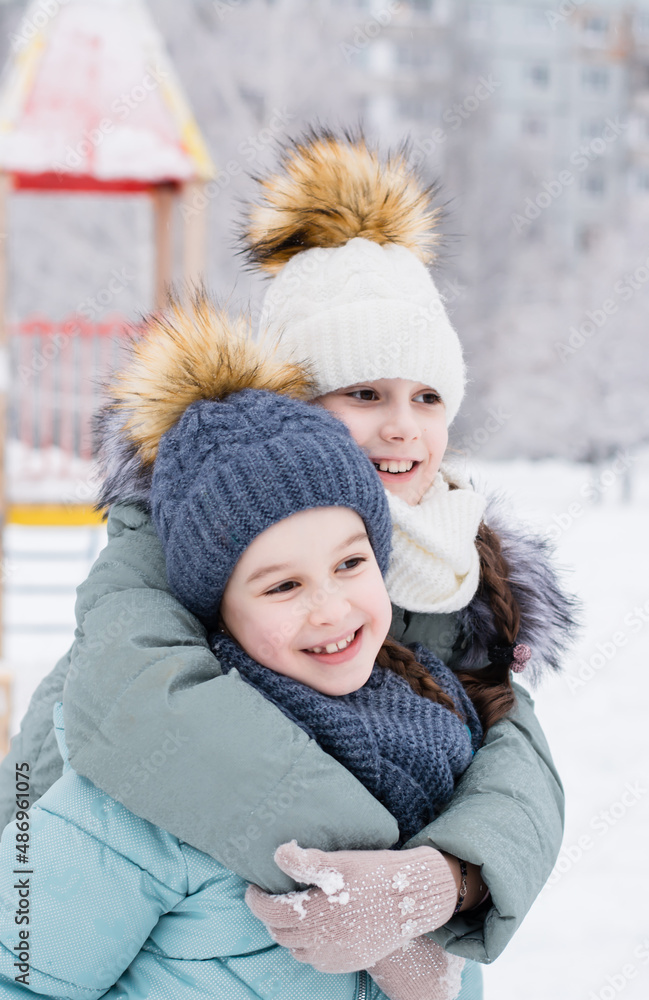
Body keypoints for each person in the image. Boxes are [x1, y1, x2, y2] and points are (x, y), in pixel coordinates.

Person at [0, 130, 578, 994]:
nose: (400, 428)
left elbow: (508, 750)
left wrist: (440, 884)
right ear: (289, 404)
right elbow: (149, 711)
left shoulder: (452, 559)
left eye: (426, 396)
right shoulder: (183, 534)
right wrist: (364, 872)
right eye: (362, 393)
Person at [0, 376, 496, 1000]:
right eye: (282, 586)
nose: (330, 608)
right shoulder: (146, 779)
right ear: (220, 610)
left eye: (350, 563)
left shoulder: (434, 726)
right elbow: (21, 975)